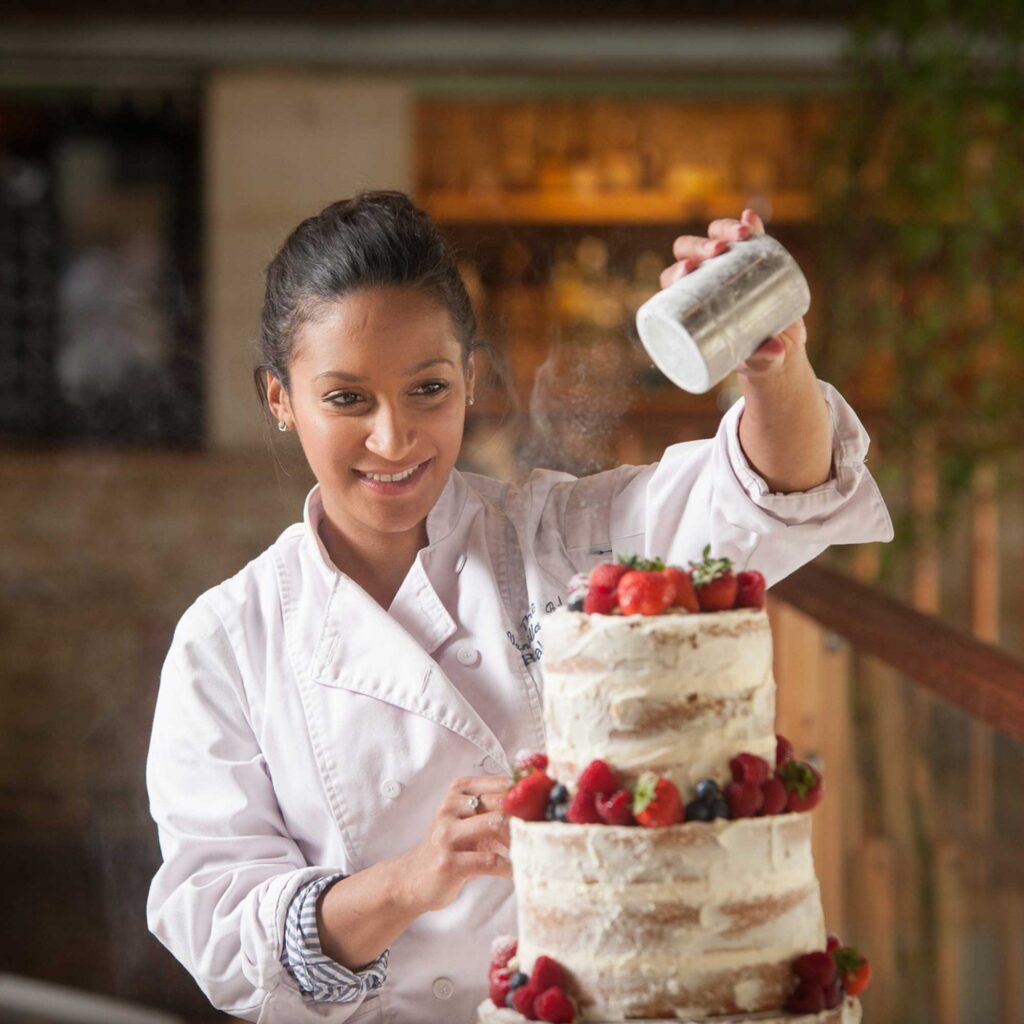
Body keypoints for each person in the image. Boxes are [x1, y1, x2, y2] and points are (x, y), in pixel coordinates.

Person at [146, 191, 893, 1024]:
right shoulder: (228, 641)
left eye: (427, 389)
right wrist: (415, 876)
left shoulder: (561, 536)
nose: (393, 440)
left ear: (469, 377)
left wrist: (771, 361)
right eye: (347, 399)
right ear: (281, 400)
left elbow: (764, 500)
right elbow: (218, 928)